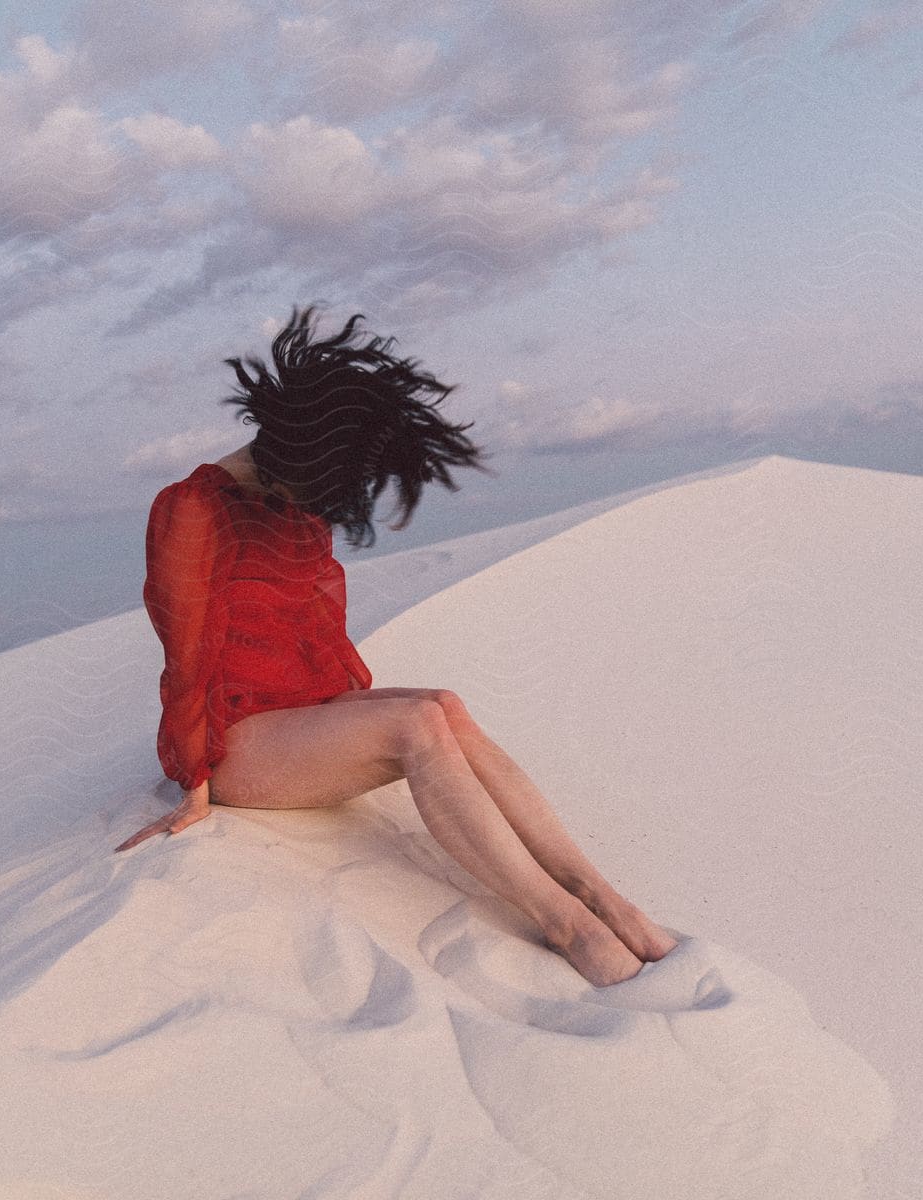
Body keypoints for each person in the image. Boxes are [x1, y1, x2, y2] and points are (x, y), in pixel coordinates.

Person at [115, 304, 677, 987]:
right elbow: (186, 651)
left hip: (300, 716)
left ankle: (597, 893)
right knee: (414, 724)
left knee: (444, 704)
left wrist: (345, 714)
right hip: (234, 740)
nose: (315, 502)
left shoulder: (294, 499)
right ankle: (567, 924)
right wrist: (196, 787)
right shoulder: (190, 508)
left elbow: (309, 621)